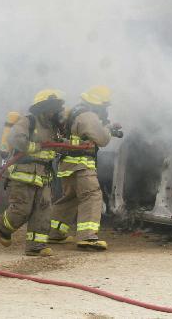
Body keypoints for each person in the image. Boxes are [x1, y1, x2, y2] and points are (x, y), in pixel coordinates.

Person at [48, 85, 123, 251]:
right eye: (105, 105)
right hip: (81, 165)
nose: (105, 108)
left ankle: (55, 232)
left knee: (70, 198)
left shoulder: (75, 112)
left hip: (67, 165)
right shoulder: (88, 115)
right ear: (98, 103)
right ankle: (87, 237)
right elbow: (102, 139)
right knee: (92, 196)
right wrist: (109, 129)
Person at [0, 89, 67, 257]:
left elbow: (58, 146)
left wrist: (75, 144)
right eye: (49, 107)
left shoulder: (53, 128)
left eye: (54, 108)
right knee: (22, 210)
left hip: (44, 176)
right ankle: (3, 227)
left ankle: (36, 246)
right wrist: (35, 147)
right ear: (41, 108)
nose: (52, 111)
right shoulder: (28, 122)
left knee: (43, 212)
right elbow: (15, 139)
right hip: (23, 174)